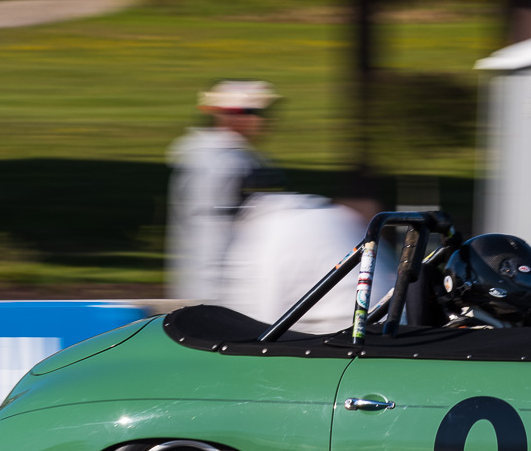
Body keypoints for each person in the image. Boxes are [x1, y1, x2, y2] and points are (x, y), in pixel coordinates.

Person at [220, 174, 392, 334]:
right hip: (386, 329)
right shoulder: (329, 214)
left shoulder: (267, 231)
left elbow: (254, 321)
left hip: (346, 339)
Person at [166, 79, 281, 302]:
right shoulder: (218, 163)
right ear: (229, 115)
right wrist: (218, 297)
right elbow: (210, 232)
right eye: (253, 112)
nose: (262, 119)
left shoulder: (233, 157)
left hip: (226, 289)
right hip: (216, 293)